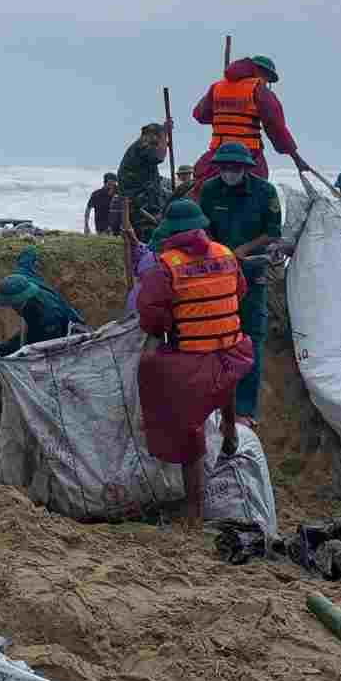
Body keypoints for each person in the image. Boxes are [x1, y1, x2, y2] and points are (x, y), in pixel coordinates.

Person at [134, 197, 253, 523]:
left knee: (187, 425)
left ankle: (194, 509)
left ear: (170, 233)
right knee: (224, 387)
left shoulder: (167, 266)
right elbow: (239, 292)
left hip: (194, 359)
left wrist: (171, 323)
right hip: (235, 351)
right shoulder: (226, 254)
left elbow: (150, 315)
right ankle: (230, 436)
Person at [192, 142, 281, 423]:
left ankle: (244, 410)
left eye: (235, 168)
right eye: (225, 168)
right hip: (217, 274)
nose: (229, 172)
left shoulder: (265, 192)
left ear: (246, 168)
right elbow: (202, 230)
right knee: (214, 338)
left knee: (250, 338)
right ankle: (215, 405)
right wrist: (219, 254)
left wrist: (241, 251)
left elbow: (272, 232)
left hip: (252, 273)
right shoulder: (209, 190)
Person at [190, 54, 312, 182]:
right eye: (268, 79)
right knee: (259, 189)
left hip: (218, 155)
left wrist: (226, 114)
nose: (266, 83)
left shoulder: (217, 87)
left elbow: (200, 115)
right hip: (248, 155)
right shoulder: (259, 89)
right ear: (261, 72)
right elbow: (277, 129)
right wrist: (296, 158)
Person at [0, 246, 84, 354]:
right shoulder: (23, 276)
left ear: (19, 302)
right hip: (46, 324)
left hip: (68, 330)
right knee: (6, 348)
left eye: (11, 304)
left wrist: (8, 349)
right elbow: (28, 255)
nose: (11, 308)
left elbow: (44, 345)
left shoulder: (47, 315)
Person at [117, 121, 173, 241]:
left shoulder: (141, 145)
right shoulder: (143, 144)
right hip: (141, 205)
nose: (160, 144)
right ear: (152, 136)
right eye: (158, 139)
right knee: (147, 240)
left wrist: (164, 133)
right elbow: (159, 156)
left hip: (141, 203)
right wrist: (164, 136)